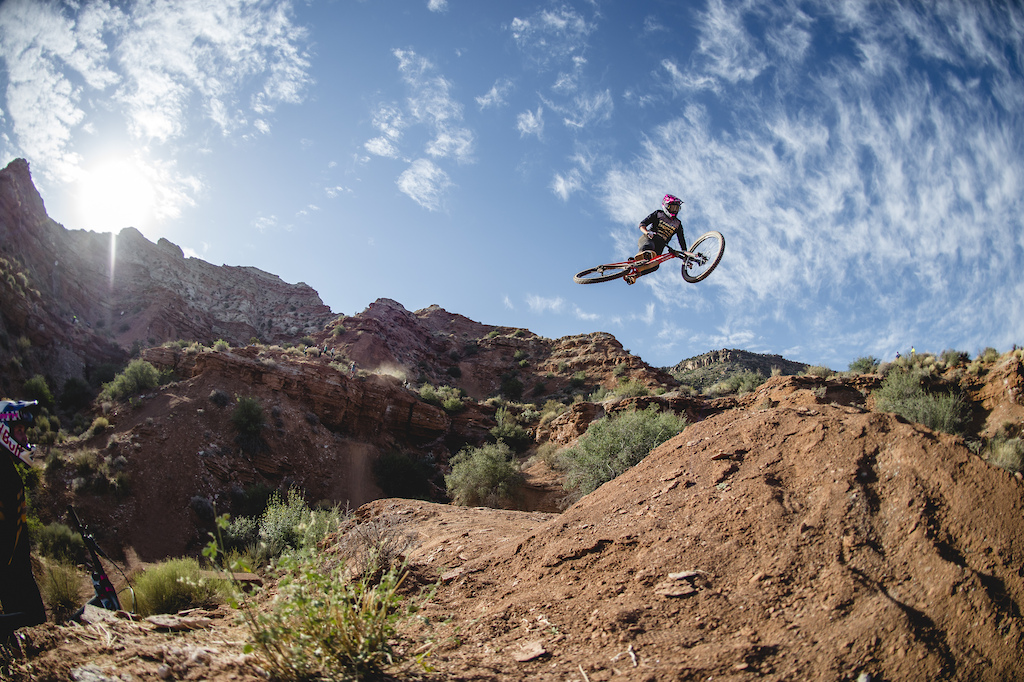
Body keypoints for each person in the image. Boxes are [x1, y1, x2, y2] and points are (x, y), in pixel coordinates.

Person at [0, 400, 46, 640]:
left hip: (15, 571)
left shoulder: (6, 468)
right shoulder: (2, 471)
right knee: (34, 630)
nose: (23, 437)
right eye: (19, 430)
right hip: (10, 574)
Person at [626, 193, 687, 285]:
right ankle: (641, 256)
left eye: (677, 208)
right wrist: (647, 232)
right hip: (649, 238)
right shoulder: (658, 214)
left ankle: (635, 275)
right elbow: (642, 224)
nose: (675, 211)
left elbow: (681, 240)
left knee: (655, 265)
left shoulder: (677, 223)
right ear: (666, 206)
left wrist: (686, 256)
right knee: (649, 247)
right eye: (673, 207)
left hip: (661, 245)